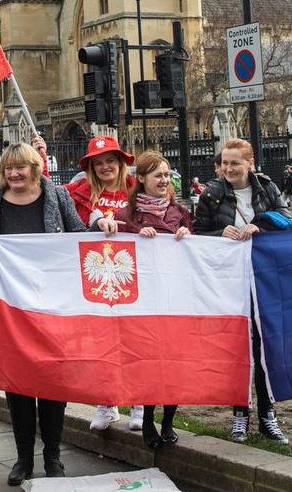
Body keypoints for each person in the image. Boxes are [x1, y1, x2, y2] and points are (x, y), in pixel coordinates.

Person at [0, 138, 114, 486]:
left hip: (52, 303)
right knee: (17, 384)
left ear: (35, 169)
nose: (14, 173)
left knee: (53, 381)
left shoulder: (57, 195)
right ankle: (23, 459)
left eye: (20, 167)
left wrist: (99, 228)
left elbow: (76, 235)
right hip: (10, 305)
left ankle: (53, 455)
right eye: (8, 168)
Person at [192, 137, 292, 444]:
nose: (228, 168)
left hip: (262, 279)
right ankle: (239, 414)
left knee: (263, 349)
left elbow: (287, 222)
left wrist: (260, 227)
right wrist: (218, 232)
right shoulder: (211, 194)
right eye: (224, 163)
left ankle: (267, 414)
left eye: (235, 163)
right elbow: (198, 234)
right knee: (237, 348)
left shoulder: (267, 188)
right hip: (228, 281)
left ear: (250, 163)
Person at [114, 151, 192, 449]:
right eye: (157, 174)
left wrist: (188, 234)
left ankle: (169, 420)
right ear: (142, 179)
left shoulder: (180, 213)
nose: (164, 179)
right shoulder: (127, 216)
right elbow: (113, 249)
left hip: (174, 299)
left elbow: (197, 249)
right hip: (144, 302)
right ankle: (148, 419)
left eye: (167, 174)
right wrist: (134, 233)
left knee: (173, 361)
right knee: (149, 362)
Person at [63, 135, 137, 433]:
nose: (105, 167)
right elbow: (45, 195)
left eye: (110, 161)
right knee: (100, 342)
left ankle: (139, 402)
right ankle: (106, 403)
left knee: (133, 339)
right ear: (90, 168)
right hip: (94, 278)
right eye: (98, 163)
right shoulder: (78, 192)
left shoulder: (136, 190)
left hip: (131, 275)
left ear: (121, 163)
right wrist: (41, 159)